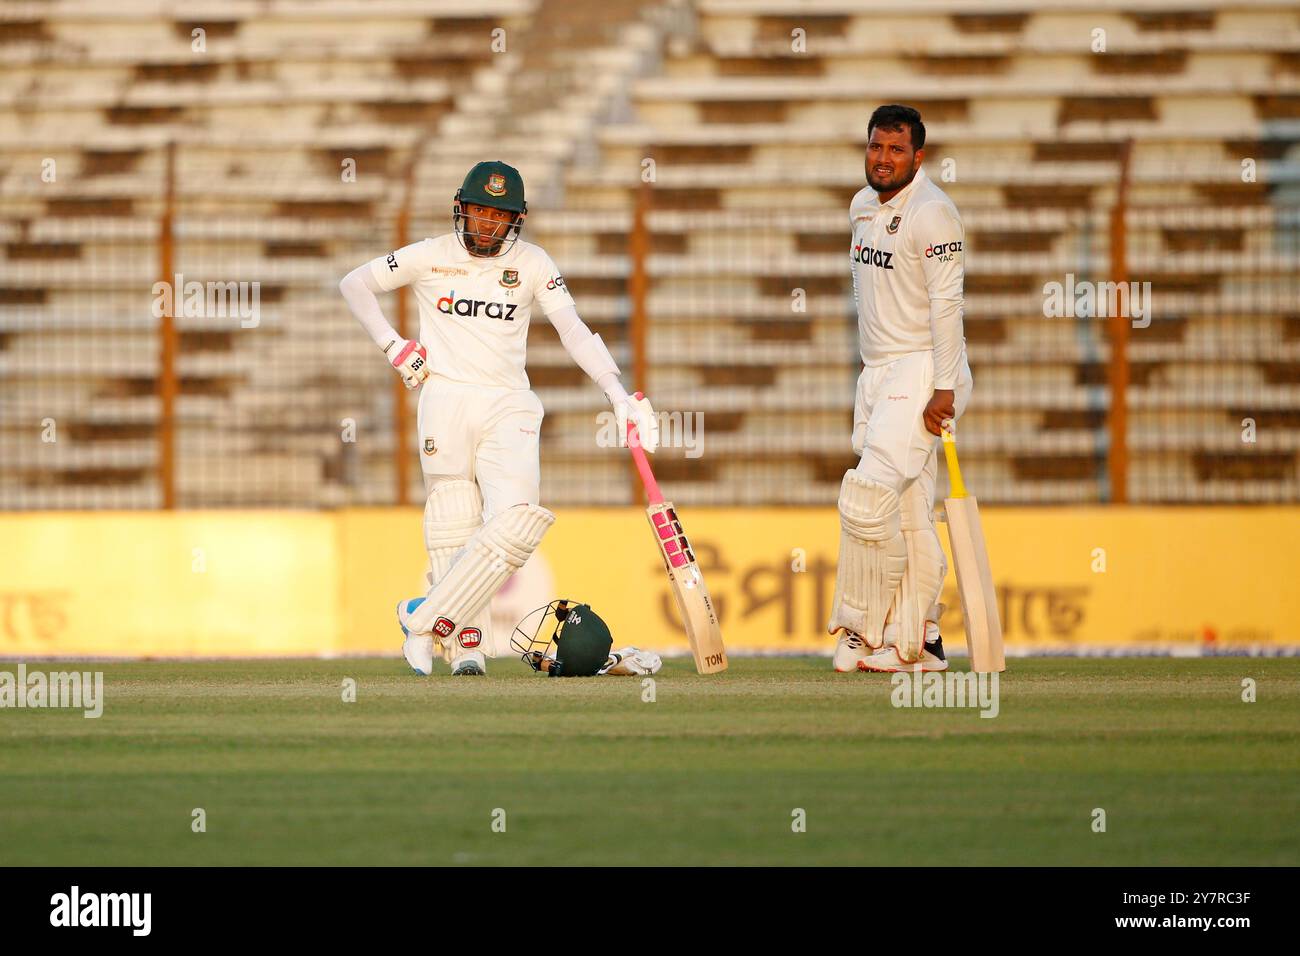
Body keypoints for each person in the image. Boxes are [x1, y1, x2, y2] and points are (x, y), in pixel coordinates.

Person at [339, 161, 657, 675]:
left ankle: (421, 618)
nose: (488, 223)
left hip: (509, 401)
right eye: (480, 211)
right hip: (443, 397)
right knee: (453, 521)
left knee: (515, 524)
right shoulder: (429, 254)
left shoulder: (533, 263)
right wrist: (394, 347)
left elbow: (574, 330)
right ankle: (465, 643)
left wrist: (617, 394)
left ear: (517, 219)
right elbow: (354, 283)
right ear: (462, 209)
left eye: (500, 215)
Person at [828, 105, 974, 673]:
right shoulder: (862, 206)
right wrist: (870, 368)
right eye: (875, 147)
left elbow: (948, 305)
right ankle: (922, 639)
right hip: (878, 372)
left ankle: (861, 629)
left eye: (895, 150)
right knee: (910, 513)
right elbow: (869, 297)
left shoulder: (934, 215)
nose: (883, 160)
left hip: (921, 372)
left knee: (867, 498)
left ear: (919, 156)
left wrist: (942, 387)